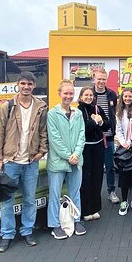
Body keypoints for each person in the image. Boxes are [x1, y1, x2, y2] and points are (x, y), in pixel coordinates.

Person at [0, 71, 48, 253]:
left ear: (34, 86)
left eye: (29, 84)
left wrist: (41, 151)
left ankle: (27, 231)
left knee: (30, 199)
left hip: (31, 161)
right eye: (23, 83)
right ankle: (7, 235)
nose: (26, 87)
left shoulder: (40, 106)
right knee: (7, 200)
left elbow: (43, 131)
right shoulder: (7, 106)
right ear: (18, 84)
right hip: (11, 161)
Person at [47, 79, 86, 240]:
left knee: (75, 193)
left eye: (71, 93)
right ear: (59, 94)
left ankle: (76, 219)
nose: (68, 96)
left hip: (76, 160)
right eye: (66, 93)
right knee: (55, 194)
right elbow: (54, 139)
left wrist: (76, 154)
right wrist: (68, 156)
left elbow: (81, 136)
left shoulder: (78, 114)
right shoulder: (52, 114)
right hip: (58, 162)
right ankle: (55, 225)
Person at [76, 86, 111, 221]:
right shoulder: (78, 111)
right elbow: (82, 129)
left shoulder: (98, 109)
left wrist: (101, 121)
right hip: (84, 148)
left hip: (98, 147)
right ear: (80, 97)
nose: (89, 97)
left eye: (91, 95)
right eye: (86, 95)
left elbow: (107, 126)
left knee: (97, 177)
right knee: (85, 179)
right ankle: (85, 210)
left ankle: (95, 208)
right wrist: (93, 122)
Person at [92, 68, 119, 204]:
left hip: (108, 137)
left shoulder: (112, 94)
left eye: (103, 79)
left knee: (110, 167)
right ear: (94, 79)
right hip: (94, 138)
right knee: (95, 168)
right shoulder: (89, 94)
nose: (101, 81)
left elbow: (114, 114)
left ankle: (111, 191)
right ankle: (94, 193)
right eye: (99, 79)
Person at [114, 87, 132, 216]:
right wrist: (123, 142)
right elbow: (118, 129)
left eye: (130, 96)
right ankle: (124, 201)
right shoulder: (119, 111)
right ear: (122, 97)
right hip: (123, 147)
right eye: (125, 96)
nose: (127, 98)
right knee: (124, 176)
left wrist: (130, 142)